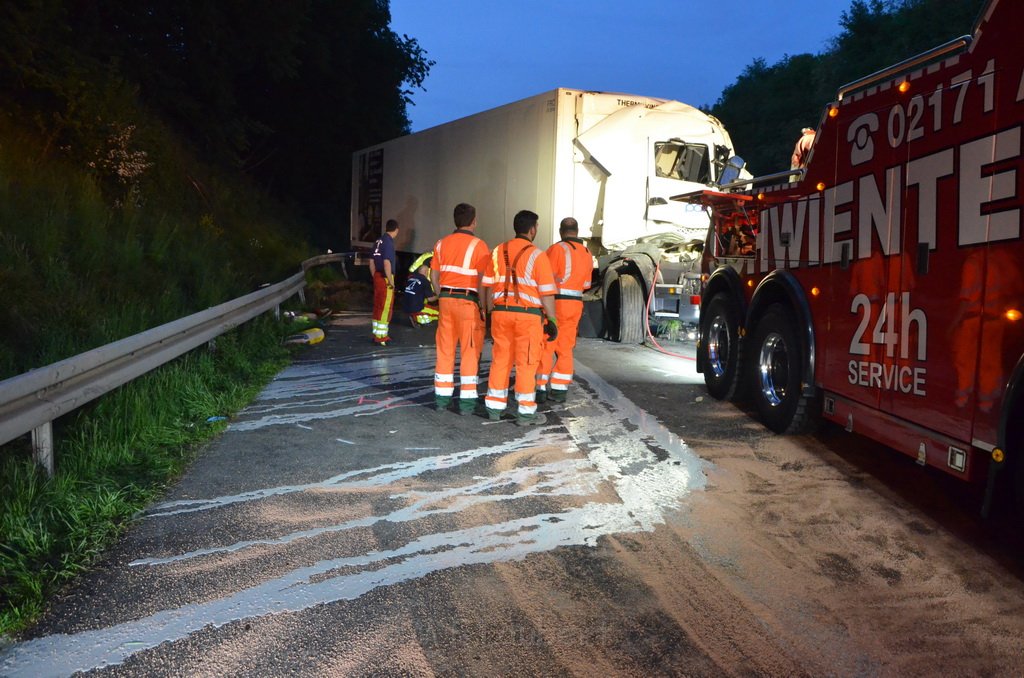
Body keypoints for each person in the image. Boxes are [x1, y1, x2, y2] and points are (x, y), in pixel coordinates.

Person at [483, 210, 558, 426]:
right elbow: (546, 293)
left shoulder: (497, 251)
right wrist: (552, 320)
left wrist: (489, 313)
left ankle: (494, 408)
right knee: (526, 362)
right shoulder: (538, 255)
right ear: (532, 229)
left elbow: (488, 285)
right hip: (527, 317)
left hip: (499, 313)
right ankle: (525, 413)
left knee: (501, 359)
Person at [431, 203, 491, 415]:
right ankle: (466, 404)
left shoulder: (441, 244)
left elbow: (434, 276)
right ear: (474, 221)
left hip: (446, 300)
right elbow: (484, 281)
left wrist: (441, 295)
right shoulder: (479, 246)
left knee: (445, 349)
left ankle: (441, 400)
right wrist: (484, 307)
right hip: (468, 303)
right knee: (469, 350)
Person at [536, 217, 592, 404]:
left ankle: (540, 388)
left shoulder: (556, 249)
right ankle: (559, 390)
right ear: (577, 231)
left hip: (555, 302)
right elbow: (586, 284)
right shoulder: (586, 252)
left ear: (561, 231)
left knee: (547, 343)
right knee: (566, 346)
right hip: (575, 304)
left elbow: (545, 279)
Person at [369, 219, 399, 345]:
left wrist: (375, 276)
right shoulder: (388, 243)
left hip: (377, 276)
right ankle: (381, 337)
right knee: (386, 307)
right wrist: (390, 281)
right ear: (396, 230)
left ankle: (376, 333)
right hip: (385, 277)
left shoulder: (378, 241)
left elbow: (371, 262)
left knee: (377, 305)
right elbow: (387, 263)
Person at [402, 259, 439, 326]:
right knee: (436, 313)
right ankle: (417, 317)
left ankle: (413, 314)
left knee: (420, 297)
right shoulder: (425, 281)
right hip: (415, 307)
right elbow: (430, 299)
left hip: (405, 306)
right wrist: (439, 296)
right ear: (426, 272)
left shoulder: (410, 278)